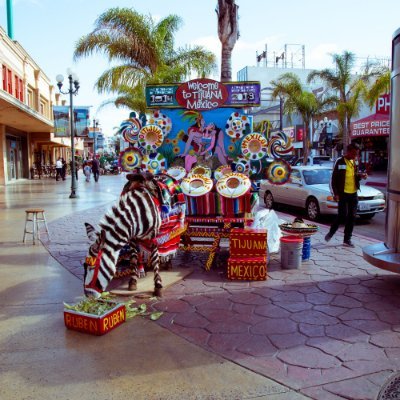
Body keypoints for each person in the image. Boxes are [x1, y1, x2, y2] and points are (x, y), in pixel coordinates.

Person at [325, 143, 367, 247]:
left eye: (356, 154)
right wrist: (335, 193)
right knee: (341, 216)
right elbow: (333, 179)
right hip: (343, 194)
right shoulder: (340, 161)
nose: (355, 156)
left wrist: (360, 176)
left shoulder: (355, 162)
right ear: (348, 152)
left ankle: (347, 239)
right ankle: (331, 232)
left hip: (353, 193)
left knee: (352, 216)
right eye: (353, 154)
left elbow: (355, 175)